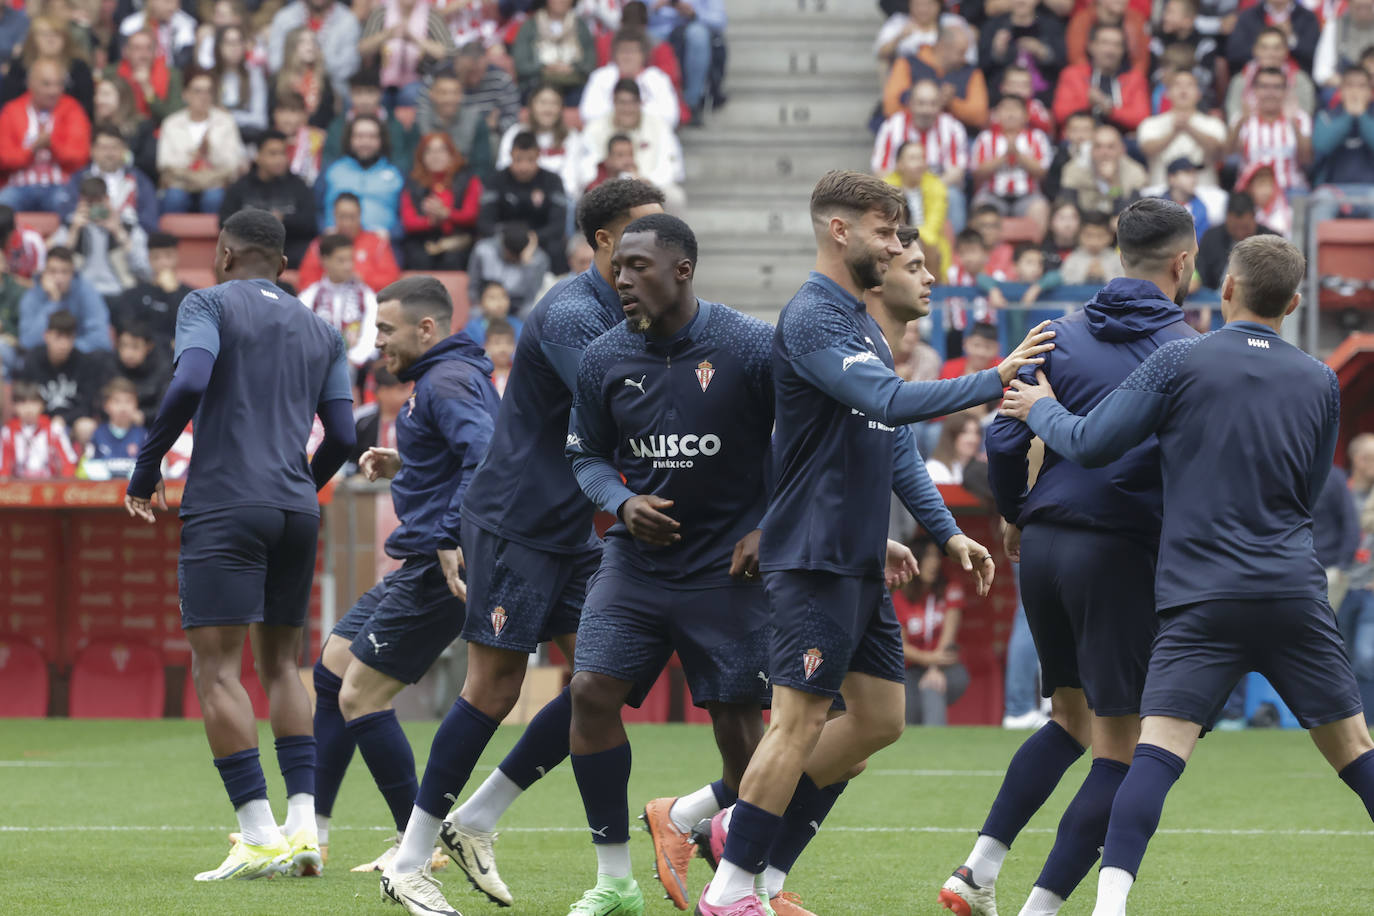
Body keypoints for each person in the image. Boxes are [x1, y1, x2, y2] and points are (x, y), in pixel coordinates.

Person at [693, 170, 1053, 915]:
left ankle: (737, 831)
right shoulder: (816, 317)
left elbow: (888, 445)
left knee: (880, 722)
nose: (896, 248)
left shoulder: (860, 323)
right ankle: (734, 885)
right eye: (888, 233)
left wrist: (947, 533)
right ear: (840, 231)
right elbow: (888, 402)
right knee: (796, 725)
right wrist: (997, 376)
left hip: (857, 558)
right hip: (814, 554)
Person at [1000, 233, 1374, 916]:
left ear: (1223, 287)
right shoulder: (1320, 380)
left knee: (1155, 754)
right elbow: (1311, 488)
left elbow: (1091, 442)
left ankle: (1108, 906)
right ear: (1294, 302)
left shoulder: (1181, 358)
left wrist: (1039, 410)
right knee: (1354, 749)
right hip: (1290, 590)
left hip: (1199, 596)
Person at [376, 179, 665, 915]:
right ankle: (410, 861)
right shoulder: (570, 312)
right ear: (603, 242)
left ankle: (478, 820)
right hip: (514, 523)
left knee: (603, 683)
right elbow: (625, 403)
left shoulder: (630, 303)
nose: (656, 245)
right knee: (493, 688)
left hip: (572, 528)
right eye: (642, 231)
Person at [941, 197, 1199, 916]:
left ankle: (978, 868)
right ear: (1183, 263)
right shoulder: (1187, 347)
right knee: (1120, 747)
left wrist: (1014, 512)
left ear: (1117, 254)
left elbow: (1001, 434)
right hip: (1118, 551)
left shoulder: (1058, 332)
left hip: (1045, 542)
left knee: (1068, 722)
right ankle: (1043, 907)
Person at [123, 208, 356, 881]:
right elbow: (341, 436)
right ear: (283, 265)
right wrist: (296, 486)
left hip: (226, 504)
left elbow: (191, 381)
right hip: (295, 507)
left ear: (223, 254)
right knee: (283, 667)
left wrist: (147, 468)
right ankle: (305, 827)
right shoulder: (321, 328)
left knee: (219, 670)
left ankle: (257, 833)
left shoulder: (207, 303)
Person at [559, 213, 777, 915]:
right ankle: (614, 879)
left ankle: (741, 884)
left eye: (638, 267)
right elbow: (585, 455)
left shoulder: (748, 345)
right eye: (617, 266)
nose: (622, 279)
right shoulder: (602, 357)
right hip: (636, 563)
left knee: (742, 728)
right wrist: (620, 505)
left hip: (728, 566)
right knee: (589, 691)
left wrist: (768, 525)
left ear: (682, 269)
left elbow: (806, 443)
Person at [311, 275, 499, 872]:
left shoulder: (446, 380)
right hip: (418, 560)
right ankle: (311, 831)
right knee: (332, 670)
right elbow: (458, 452)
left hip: (437, 565)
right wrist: (408, 460)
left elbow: (487, 454)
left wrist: (449, 536)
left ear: (427, 328)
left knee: (360, 694)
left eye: (385, 330)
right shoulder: (438, 379)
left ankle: (414, 847)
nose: (376, 343)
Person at [871, 78, 969, 232]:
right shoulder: (891, 127)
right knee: (884, 197)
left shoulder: (952, 128)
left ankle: (951, 251)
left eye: (932, 104)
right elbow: (881, 170)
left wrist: (929, 189)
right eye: (921, 103)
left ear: (940, 105)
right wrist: (905, 190)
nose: (926, 110)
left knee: (954, 196)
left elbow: (957, 171)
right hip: (899, 188)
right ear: (910, 103)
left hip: (940, 187)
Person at [894, 535, 970, 726]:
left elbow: (949, 633)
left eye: (936, 557)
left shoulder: (950, 588)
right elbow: (901, 646)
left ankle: (937, 747)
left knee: (932, 687)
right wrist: (929, 660)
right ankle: (914, 752)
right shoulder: (900, 596)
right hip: (911, 670)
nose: (933, 562)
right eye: (927, 556)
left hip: (948, 668)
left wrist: (935, 668)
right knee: (908, 709)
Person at [0, 57, 91, 212]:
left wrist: (53, 145)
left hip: (60, 185)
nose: (54, 91)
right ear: (30, 84)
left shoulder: (73, 109)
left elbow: (80, 158)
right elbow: (4, 158)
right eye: (46, 84)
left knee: (70, 208)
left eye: (59, 84)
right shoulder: (11, 111)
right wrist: (32, 149)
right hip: (19, 185)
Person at [580, 77, 685, 211]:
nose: (627, 109)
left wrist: (646, 181)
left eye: (632, 102)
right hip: (607, 187)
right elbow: (585, 168)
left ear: (640, 103)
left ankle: (673, 233)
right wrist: (610, 169)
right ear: (613, 102)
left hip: (649, 187)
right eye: (622, 102)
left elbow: (671, 167)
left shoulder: (659, 127)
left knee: (675, 197)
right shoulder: (595, 128)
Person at [220, 129, 318, 267]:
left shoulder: (299, 187)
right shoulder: (240, 187)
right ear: (258, 156)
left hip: (288, 252)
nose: (279, 159)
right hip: (249, 251)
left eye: (283, 153)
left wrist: (283, 220)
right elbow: (224, 222)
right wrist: (258, 223)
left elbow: (310, 223)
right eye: (273, 153)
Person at [157, 69, 247, 214]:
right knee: (174, 198)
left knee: (214, 197)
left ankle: (218, 237)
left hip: (215, 184)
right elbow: (164, 163)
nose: (204, 97)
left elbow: (233, 163)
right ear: (185, 95)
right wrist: (195, 155)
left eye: (208, 91)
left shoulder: (226, 121)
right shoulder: (171, 123)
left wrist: (210, 151)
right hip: (181, 183)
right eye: (198, 91)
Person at [478, 130, 570, 273]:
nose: (524, 167)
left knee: (557, 248)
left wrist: (531, 239)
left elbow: (558, 225)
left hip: (540, 239)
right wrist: (510, 238)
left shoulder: (552, 181)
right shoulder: (495, 180)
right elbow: (485, 222)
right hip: (504, 239)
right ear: (510, 155)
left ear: (539, 155)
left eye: (530, 160)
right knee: (482, 248)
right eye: (518, 159)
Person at [50, 175, 150, 297]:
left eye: (98, 201)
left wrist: (119, 233)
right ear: (81, 202)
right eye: (89, 203)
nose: (94, 208)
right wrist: (74, 232)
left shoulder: (128, 227)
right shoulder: (70, 227)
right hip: (81, 294)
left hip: (120, 293)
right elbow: (52, 267)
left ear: (107, 199)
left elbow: (146, 270)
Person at [57, 122, 159, 237]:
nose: (109, 154)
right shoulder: (78, 179)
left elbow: (149, 222)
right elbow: (65, 215)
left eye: (115, 147)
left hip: (126, 243)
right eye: (103, 148)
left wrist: (120, 223)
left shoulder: (140, 181)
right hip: (84, 240)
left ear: (124, 150)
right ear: (92, 150)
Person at [15, 308, 113, 426]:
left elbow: (87, 406)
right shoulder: (32, 360)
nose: (63, 344)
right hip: (39, 422)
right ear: (47, 336)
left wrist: (64, 419)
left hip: (73, 422)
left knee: (86, 426)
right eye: (58, 336)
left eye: (68, 337)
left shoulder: (85, 362)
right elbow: (24, 398)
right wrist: (46, 421)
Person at [883, 21, 988, 131]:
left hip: (954, 135)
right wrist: (926, 104)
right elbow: (891, 107)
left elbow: (980, 116)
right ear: (943, 46)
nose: (964, 59)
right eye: (960, 52)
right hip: (908, 132)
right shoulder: (907, 63)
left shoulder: (971, 72)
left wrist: (951, 102)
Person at [970, 94, 1052, 234]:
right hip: (992, 195)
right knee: (980, 206)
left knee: (1040, 208)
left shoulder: (1037, 137)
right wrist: (1004, 157)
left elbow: (1042, 172)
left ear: (1026, 115)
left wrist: (1018, 156)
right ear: (996, 115)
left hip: (1028, 195)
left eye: (1015, 110)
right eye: (1006, 110)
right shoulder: (985, 138)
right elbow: (978, 173)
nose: (1010, 114)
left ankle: (1035, 250)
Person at [298, 233, 380, 366]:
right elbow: (300, 336)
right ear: (325, 260)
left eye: (350, 260)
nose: (348, 266)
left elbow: (372, 334)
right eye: (341, 261)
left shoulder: (366, 295)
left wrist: (353, 360)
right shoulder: (309, 296)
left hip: (356, 367)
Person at [497, 83, 590, 199]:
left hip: (559, 201)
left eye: (554, 103)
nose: (548, 109)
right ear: (531, 106)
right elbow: (504, 170)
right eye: (542, 103)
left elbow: (572, 181)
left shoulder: (572, 137)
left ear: (561, 108)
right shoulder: (515, 133)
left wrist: (548, 200)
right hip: (519, 199)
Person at [1136, 70, 1227, 188]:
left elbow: (1218, 151)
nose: (1183, 90)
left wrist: (1190, 128)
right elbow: (1147, 149)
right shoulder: (1150, 123)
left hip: (1204, 190)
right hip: (1161, 190)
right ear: (1167, 93)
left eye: (1190, 85)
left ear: (1199, 93)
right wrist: (1174, 131)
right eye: (1177, 85)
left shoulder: (1214, 123)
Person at [319, 115, 406, 239]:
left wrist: (392, 233)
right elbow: (315, 210)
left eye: (372, 136)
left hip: (382, 245)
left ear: (381, 140)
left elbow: (405, 217)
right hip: (336, 243)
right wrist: (324, 229)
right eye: (359, 136)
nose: (365, 142)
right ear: (350, 139)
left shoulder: (396, 175)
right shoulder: (332, 171)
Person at [1052, 24, 1149, 134]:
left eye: (1117, 45)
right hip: (1080, 139)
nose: (1110, 50)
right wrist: (1088, 101)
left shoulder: (1134, 79)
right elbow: (1059, 114)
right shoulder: (1073, 75)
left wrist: (1109, 109)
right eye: (1104, 43)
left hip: (1120, 141)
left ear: (1123, 50)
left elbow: (1142, 118)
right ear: (1091, 46)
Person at [1229, 65, 1313, 193]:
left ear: (1286, 91)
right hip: (1250, 191)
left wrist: (1293, 124)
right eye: (1264, 87)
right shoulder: (1242, 119)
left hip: (1290, 189)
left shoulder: (1300, 118)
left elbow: (1306, 159)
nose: (1270, 93)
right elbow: (1227, 155)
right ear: (1254, 90)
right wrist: (1241, 122)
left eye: (1277, 87)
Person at [358, 0, 456, 109]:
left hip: (420, 79)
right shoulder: (381, 12)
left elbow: (449, 52)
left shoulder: (431, 14)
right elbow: (362, 49)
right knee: (373, 97)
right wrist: (386, 35)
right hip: (381, 79)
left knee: (409, 95)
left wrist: (415, 40)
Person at [1309, 65, 1374, 223]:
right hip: (1332, 189)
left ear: (1371, 92)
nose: (1355, 91)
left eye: (1361, 86)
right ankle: (1314, 249)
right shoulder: (1326, 116)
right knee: (1322, 201)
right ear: (1341, 90)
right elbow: (1322, 145)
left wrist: (1362, 116)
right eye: (1350, 85)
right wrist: (1348, 117)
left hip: (1371, 190)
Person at [298, 192, 401, 292]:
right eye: (342, 216)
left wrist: (362, 280)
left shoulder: (378, 244)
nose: (347, 223)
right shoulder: (320, 244)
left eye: (352, 217)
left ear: (360, 215)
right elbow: (305, 281)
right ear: (334, 215)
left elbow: (392, 280)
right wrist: (331, 282)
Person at [323, 71, 420, 178]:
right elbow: (329, 161)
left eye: (370, 93)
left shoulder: (396, 124)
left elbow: (403, 161)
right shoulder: (337, 126)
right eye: (358, 93)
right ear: (350, 95)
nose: (364, 100)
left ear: (380, 94)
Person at [580, 30, 680, 130]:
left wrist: (624, 112)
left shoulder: (658, 79)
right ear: (614, 55)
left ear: (644, 55)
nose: (627, 56)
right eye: (623, 51)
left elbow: (670, 117)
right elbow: (588, 113)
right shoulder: (601, 77)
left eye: (633, 51)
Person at [0, 15, 95, 118]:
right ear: (32, 39)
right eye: (44, 35)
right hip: (23, 123)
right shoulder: (20, 65)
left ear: (66, 39)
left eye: (57, 35)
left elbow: (86, 108)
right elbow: (7, 104)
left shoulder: (79, 67)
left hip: (68, 121)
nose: (50, 39)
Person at [268, 0, 361, 104]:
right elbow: (275, 63)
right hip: (288, 90)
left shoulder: (348, 20)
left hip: (333, 93)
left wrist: (317, 62)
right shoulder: (284, 17)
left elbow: (349, 67)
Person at [18, 247, 110, 354]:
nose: (59, 278)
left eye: (65, 272)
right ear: (44, 272)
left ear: (72, 273)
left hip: (79, 356)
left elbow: (101, 338)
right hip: (45, 358)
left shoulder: (86, 291)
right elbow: (27, 343)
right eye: (53, 271)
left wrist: (65, 347)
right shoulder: (32, 296)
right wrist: (53, 302)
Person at [109, 232, 190, 348]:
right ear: (149, 260)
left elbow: (189, 328)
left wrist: (173, 293)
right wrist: (166, 342)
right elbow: (127, 328)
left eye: (168, 256)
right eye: (156, 257)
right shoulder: (134, 295)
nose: (163, 263)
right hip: (145, 356)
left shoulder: (191, 295)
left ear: (177, 257)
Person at [414, 66, 495, 180]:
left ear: (461, 95)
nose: (449, 99)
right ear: (431, 94)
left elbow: (482, 165)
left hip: (466, 184)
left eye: (455, 93)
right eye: (443, 93)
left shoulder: (475, 120)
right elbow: (415, 163)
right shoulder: (420, 121)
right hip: (428, 183)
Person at [977, 0, 1066, 104]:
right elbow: (981, 67)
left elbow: (1062, 64)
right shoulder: (993, 26)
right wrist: (997, 52)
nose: (1021, 1)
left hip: (1042, 97)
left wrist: (1043, 52)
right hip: (1001, 97)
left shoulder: (1051, 26)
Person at [885, 140, 951, 279]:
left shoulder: (936, 186)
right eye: (913, 158)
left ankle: (933, 294)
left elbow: (933, 227)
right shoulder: (887, 187)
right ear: (899, 164)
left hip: (927, 241)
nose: (920, 164)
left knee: (930, 248)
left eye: (922, 158)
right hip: (895, 237)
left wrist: (914, 239)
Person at [511, 0, 597, 103]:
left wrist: (573, 68)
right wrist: (544, 67)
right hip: (537, 84)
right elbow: (521, 64)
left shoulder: (581, 27)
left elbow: (590, 63)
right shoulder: (529, 26)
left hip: (574, 86)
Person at [1195, 191, 1278, 290]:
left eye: (1245, 228)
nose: (1240, 233)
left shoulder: (1271, 242)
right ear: (1227, 219)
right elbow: (1201, 276)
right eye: (1234, 228)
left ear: (1254, 218)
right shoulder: (1211, 238)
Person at [465, 221, 550, 316]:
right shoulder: (484, 250)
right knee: (475, 313)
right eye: (512, 255)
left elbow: (531, 296)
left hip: (517, 306)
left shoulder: (538, 259)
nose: (515, 259)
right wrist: (478, 303)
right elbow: (473, 284)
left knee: (528, 313)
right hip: (488, 302)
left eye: (518, 257)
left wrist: (528, 265)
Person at [0, 380, 78, 478]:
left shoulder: (54, 430)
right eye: (23, 403)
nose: (28, 408)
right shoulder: (7, 433)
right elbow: (3, 470)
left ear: (42, 405)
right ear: (15, 406)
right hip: (19, 487)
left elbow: (68, 465)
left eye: (33, 402)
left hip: (49, 487)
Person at [106, 28, 184, 124]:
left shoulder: (172, 75)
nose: (144, 54)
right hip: (120, 128)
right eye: (137, 48)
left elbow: (174, 116)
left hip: (157, 132)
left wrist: (148, 89)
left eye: (149, 48)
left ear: (155, 52)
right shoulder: (112, 73)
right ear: (126, 51)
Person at [1226, 0, 1320, 75]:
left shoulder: (1307, 17)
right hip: (1252, 77)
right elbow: (1235, 53)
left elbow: (1314, 55)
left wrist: (1291, 39)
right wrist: (1265, 53)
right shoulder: (1248, 16)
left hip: (1295, 79)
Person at [450, 40, 522, 138]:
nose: (474, 78)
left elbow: (514, 117)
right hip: (452, 134)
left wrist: (496, 126)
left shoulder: (501, 79)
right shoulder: (445, 77)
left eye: (479, 71)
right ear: (458, 65)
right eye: (470, 72)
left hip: (492, 136)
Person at [81, 376, 146, 480]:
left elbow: (154, 468)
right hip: (103, 492)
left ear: (136, 405)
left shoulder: (143, 436)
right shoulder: (97, 435)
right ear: (106, 406)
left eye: (128, 401)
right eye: (117, 401)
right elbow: (85, 468)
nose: (123, 407)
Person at [211, 24, 268, 141]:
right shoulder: (209, 76)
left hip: (245, 138)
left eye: (238, 42)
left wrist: (228, 115)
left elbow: (260, 120)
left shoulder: (254, 75)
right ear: (218, 46)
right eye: (229, 43)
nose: (234, 48)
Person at [275, 28, 337, 130]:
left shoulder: (325, 80)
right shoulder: (276, 79)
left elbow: (328, 115)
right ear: (291, 46)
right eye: (303, 42)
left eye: (313, 41)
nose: (310, 46)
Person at [112, 321, 171, 421]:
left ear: (149, 347)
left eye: (135, 347)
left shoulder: (163, 369)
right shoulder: (110, 365)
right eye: (124, 345)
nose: (128, 353)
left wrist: (143, 415)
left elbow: (166, 408)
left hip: (151, 426)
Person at [1315, 0, 1374, 89]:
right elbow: (1321, 72)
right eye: (1359, 7)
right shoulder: (1335, 26)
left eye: (1368, 7)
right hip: (1343, 87)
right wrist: (1352, 84)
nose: (1363, 12)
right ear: (1349, 4)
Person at [274, 90, 327, 187]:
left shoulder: (316, 139)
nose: (286, 118)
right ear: (274, 114)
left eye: (293, 111)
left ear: (304, 115)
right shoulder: (268, 140)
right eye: (282, 111)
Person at [1061, 210, 1126, 285]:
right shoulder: (1073, 258)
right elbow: (1065, 280)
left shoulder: (1116, 259)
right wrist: (1086, 274)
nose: (1094, 242)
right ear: (1079, 235)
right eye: (1089, 235)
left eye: (1100, 236)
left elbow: (1123, 282)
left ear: (1110, 236)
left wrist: (1104, 274)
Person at [1158, 158, 1210, 242]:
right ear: (1172, 178)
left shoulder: (1201, 208)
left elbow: (1201, 243)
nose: (1194, 178)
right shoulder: (1157, 207)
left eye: (1194, 173)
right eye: (1187, 173)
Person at [926, 411, 984, 484]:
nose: (973, 439)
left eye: (977, 433)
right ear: (951, 436)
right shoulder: (935, 468)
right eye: (965, 432)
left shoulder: (981, 467)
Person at [485, 318, 514, 396]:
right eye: (497, 343)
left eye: (508, 343)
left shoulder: (520, 374)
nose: (503, 348)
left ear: (514, 345)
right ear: (486, 346)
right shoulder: (482, 377)